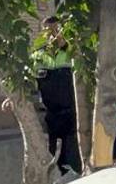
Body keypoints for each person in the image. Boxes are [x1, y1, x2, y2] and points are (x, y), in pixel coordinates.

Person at [32, 16, 83, 174]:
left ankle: (76, 174)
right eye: (48, 30)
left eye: (55, 30)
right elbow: (30, 80)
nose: (52, 34)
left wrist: (64, 43)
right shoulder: (38, 55)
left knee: (72, 147)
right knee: (53, 148)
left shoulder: (70, 51)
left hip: (71, 110)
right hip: (51, 111)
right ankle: (59, 176)